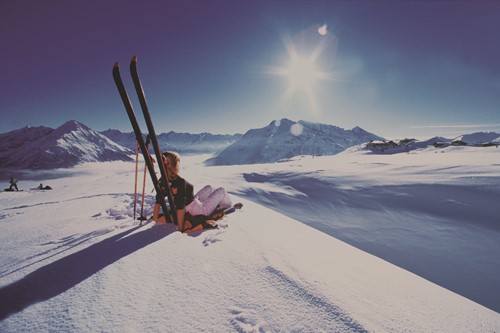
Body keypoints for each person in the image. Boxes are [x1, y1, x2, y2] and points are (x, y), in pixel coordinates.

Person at [152, 151, 236, 232]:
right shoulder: (180, 182)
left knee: (209, 187)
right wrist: (181, 229)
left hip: (193, 203)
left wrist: (155, 218)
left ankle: (216, 203)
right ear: (175, 165)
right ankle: (227, 206)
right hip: (199, 210)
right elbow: (180, 209)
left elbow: (159, 200)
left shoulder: (163, 180)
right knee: (222, 190)